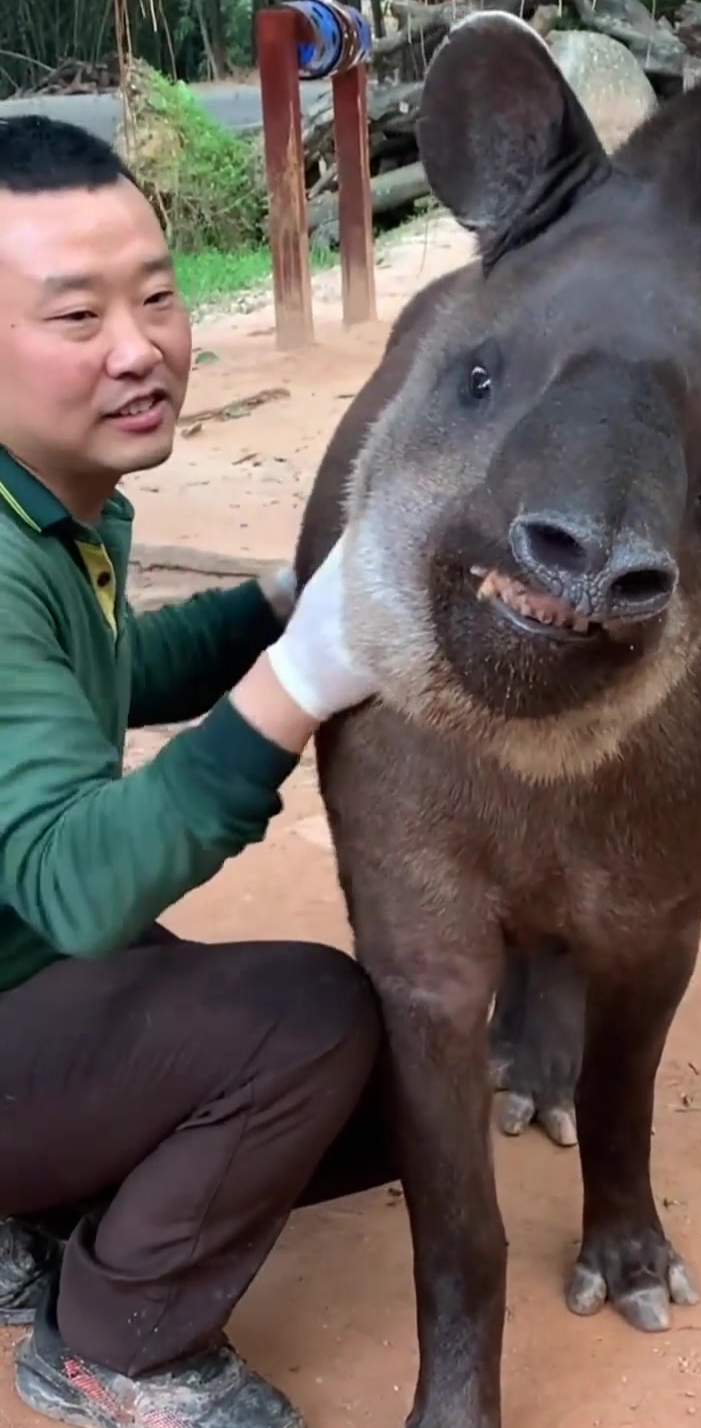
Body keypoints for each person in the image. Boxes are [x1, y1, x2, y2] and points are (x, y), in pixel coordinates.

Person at [0, 114, 400, 1428]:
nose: (141, 348)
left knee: (399, 1076)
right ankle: (118, 1345)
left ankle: (33, 1216)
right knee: (313, 1024)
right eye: (76, 316)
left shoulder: (49, 503)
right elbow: (72, 887)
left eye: (158, 296)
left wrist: (281, 603)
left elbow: (109, 670)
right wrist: (305, 678)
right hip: (31, 944)